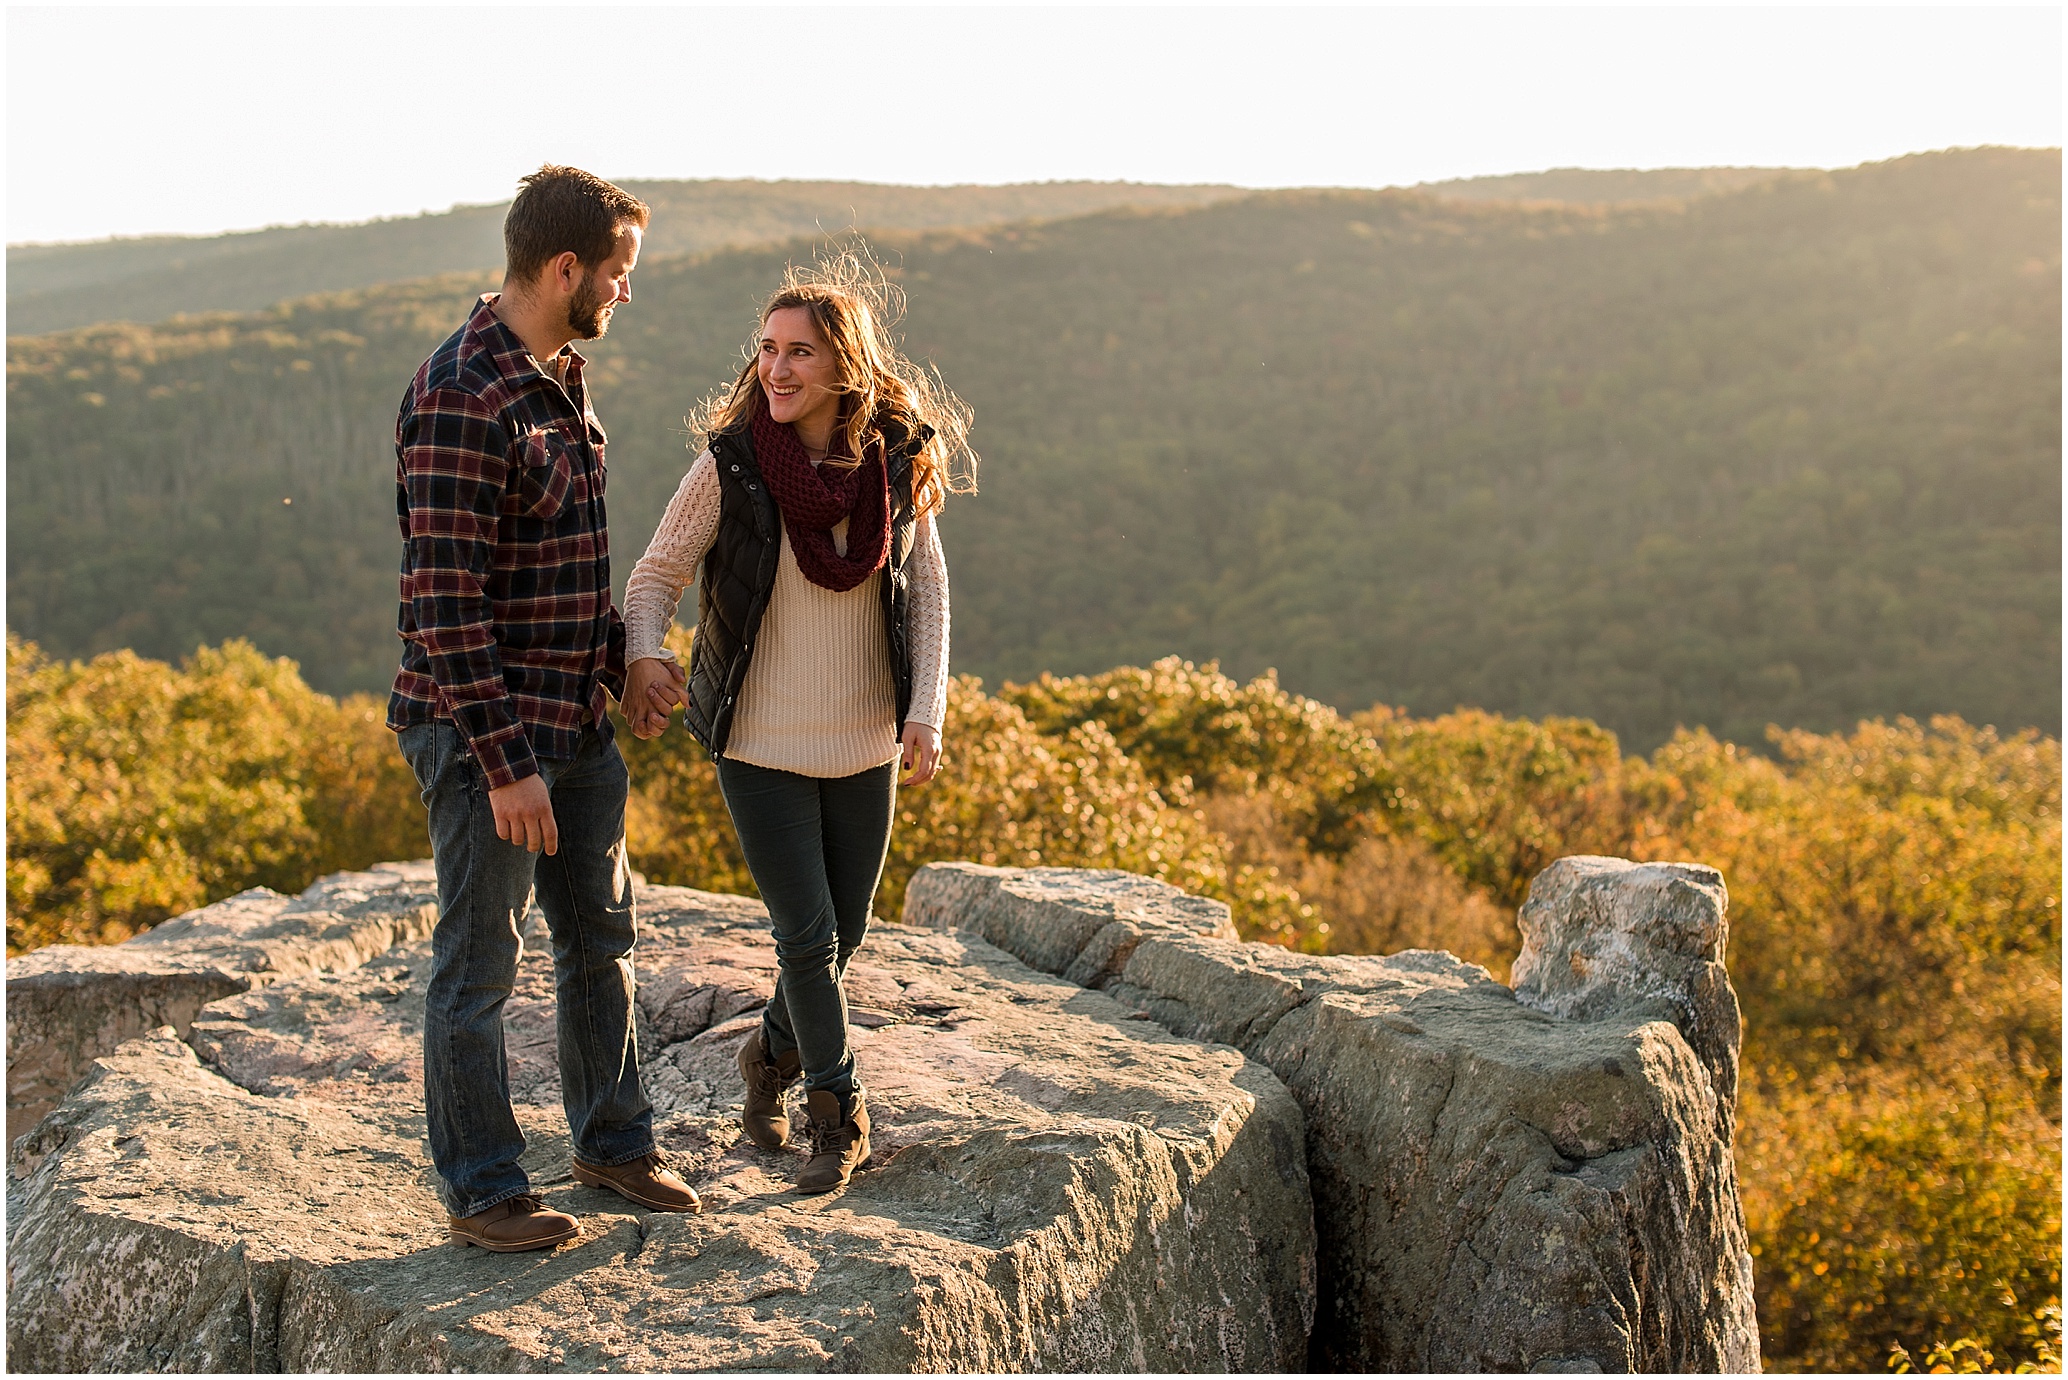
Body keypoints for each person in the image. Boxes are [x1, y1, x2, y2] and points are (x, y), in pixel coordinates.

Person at [390, 165, 699, 1253]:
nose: (624, 292)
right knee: (479, 968)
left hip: (576, 722)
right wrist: (505, 762)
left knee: (598, 939)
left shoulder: (558, 377)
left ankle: (613, 1144)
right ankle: (484, 1193)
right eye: (617, 274)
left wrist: (626, 660)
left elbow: (561, 566)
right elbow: (443, 603)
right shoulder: (461, 393)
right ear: (564, 268)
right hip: (490, 737)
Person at [621, 250, 975, 1194]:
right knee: (809, 941)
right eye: (768, 350)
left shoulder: (894, 467)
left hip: (864, 742)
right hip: (757, 740)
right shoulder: (730, 466)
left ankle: (765, 1058)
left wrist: (925, 713)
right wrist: (646, 652)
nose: (776, 370)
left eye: (800, 354)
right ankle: (837, 1108)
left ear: (842, 369)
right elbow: (651, 580)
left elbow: (928, 590)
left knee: (845, 934)